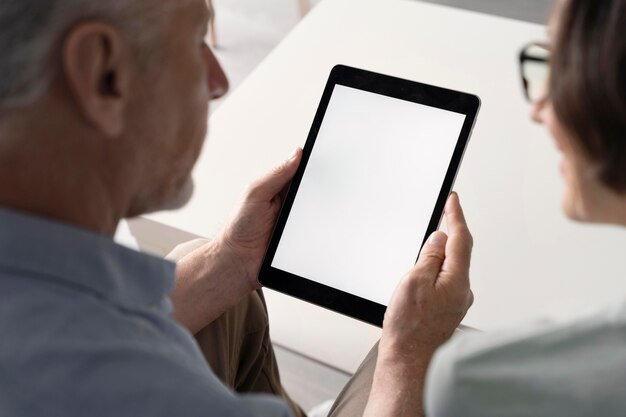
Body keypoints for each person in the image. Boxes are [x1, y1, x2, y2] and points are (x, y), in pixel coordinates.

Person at [0, 1, 473, 417]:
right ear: (103, 72)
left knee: (205, 261)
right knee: (443, 348)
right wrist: (408, 357)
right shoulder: (145, 392)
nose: (218, 81)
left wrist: (230, 260)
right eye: (194, 40)